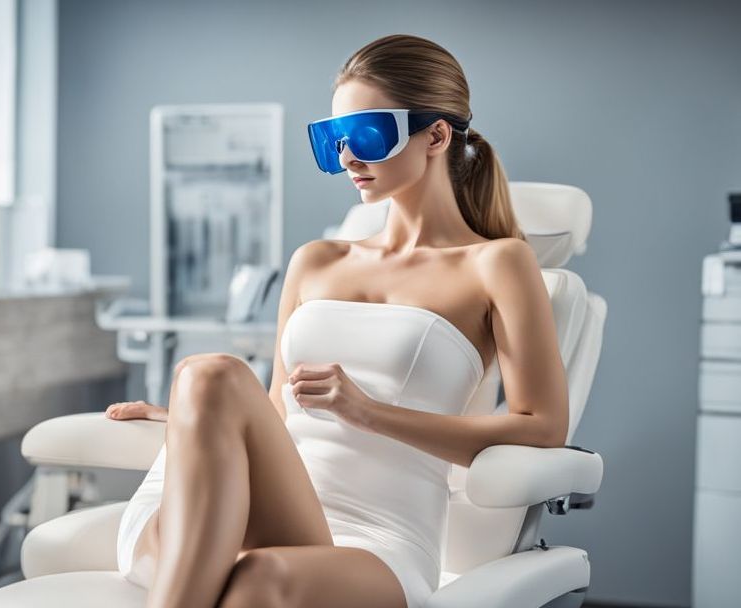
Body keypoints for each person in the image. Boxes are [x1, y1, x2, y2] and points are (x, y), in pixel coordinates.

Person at [104, 34, 570, 608]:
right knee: (210, 376)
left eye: (367, 135)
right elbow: (278, 409)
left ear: (437, 135)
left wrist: (367, 412)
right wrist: (193, 421)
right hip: (254, 505)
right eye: (333, 139)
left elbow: (542, 425)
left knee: (258, 581)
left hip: (375, 541)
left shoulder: (497, 264)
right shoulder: (316, 260)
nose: (348, 157)